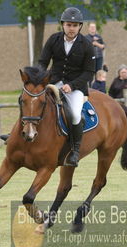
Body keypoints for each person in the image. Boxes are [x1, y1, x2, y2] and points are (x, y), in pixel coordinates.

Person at [38, 7, 95, 167]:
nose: (72, 28)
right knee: (32, 101)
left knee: (76, 115)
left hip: (76, 88)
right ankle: (18, 135)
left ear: (80, 27)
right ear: (63, 25)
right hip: (53, 82)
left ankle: (75, 151)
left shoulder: (87, 45)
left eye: (75, 25)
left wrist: (72, 85)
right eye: (69, 25)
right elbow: (43, 62)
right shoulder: (53, 40)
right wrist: (39, 80)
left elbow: (89, 72)